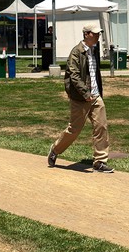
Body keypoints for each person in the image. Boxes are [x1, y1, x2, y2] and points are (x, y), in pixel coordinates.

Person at [47, 23, 113, 173]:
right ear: (86, 34)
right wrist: (85, 93)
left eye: (98, 34)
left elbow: (94, 73)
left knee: (101, 127)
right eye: (95, 34)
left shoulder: (95, 51)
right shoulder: (76, 52)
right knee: (74, 129)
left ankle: (100, 161)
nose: (98, 36)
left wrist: (96, 93)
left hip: (95, 96)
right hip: (81, 97)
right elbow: (74, 76)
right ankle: (55, 149)